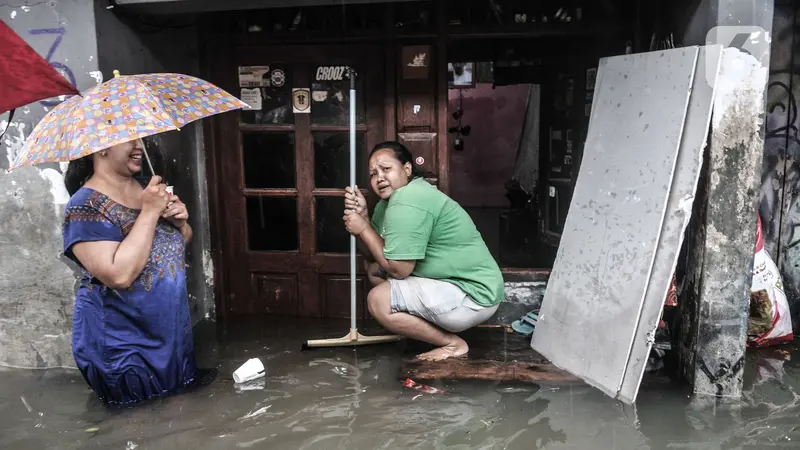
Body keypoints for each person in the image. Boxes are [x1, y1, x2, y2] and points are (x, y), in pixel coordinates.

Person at [62, 138, 214, 406]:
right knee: (138, 428)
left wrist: (180, 224)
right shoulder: (84, 206)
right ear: (101, 146)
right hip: (125, 343)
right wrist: (150, 212)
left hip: (169, 335)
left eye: (139, 138)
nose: (138, 146)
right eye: (128, 139)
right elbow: (118, 275)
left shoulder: (146, 190)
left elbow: (168, 249)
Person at [343, 141, 504, 361]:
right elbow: (372, 255)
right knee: (373, 269)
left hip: (472, 295)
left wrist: (363, 228)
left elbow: (400, 270)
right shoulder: (389, 203)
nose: (379, 177)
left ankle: (452, 344)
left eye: (386, 169)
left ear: (407, 169)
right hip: (455, 288)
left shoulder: (410, 198)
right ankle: (424, 331)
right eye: (373, 174)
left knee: (379, 300)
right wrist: (364, 219)